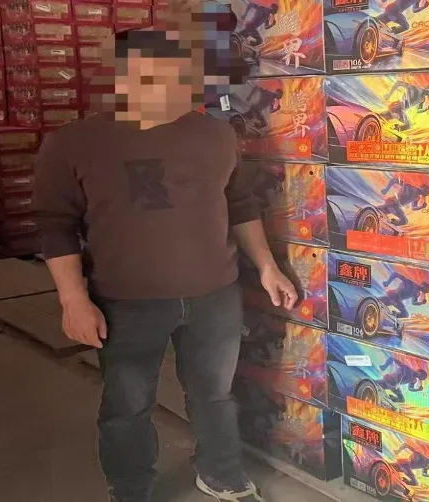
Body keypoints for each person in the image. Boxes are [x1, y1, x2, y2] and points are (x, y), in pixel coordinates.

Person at [33, 30, 297, 502]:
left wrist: (266, 266)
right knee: (127, 406)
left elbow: (240, 204)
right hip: (126, 302)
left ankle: (220, 473)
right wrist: (73, 300)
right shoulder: (74, 143)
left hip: (214, 294)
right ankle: (130, 487)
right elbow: (56, 226)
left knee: (215, 394)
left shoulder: (214, 134)